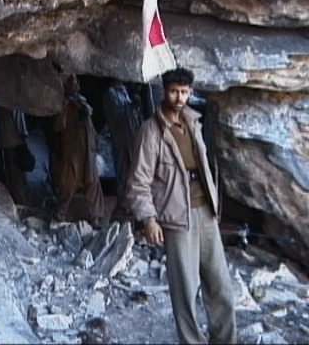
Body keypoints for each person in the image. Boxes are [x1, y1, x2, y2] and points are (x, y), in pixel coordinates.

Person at [127, 67, 236, 344]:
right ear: (164, 91)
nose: (179, 98)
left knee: (220, 285)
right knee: (185, 291)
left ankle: (225, 340)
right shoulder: (151, 132)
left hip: (206, 213)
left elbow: (206, 167)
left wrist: (215, 205)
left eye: (185, 92)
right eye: (174, 91)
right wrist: (149, 219)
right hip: (176, 216)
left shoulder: (193, 122)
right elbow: (138, 181)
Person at [53, 74, 104, 225]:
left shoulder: (83, 103)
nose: (74, 85)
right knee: (68, 186)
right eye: (71, 82)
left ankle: (96, 217)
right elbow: (58, 126)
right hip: (72, 154)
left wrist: (96, 146)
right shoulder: (62, 104)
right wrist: (67, 107)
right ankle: (59, 215)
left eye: (75, 82)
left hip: (88, 152)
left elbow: (91, 127)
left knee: (93, 184)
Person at [102, 79, 143, 212]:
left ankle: (133, 201)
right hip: (120, 137)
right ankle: (123, 203)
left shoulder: (124, 91)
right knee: (122, 168)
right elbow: (117, 115)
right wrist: (131, 106)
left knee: (133, 168)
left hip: (131, 135)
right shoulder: (110, 94)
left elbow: (133, 116)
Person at [0, 104, 28, 205]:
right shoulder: (15, 103)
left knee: (10, 173)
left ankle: (12, 199)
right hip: (15, 141)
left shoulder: (0, 102)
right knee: (17, 175)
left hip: (4, 141)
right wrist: (24, 136)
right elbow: (19, 122)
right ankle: (20, 201)